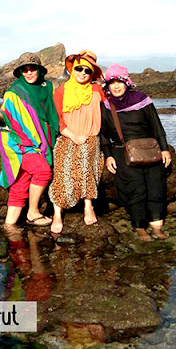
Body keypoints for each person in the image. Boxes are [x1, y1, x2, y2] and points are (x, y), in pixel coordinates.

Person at [0, 53, 58, 228]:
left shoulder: (47, 88)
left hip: (42, 142)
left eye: (32, 69)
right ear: (21, 72)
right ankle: (33, 212)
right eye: (25, 70)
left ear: (39, 70)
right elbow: (6, 117)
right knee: (43, 171)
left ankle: (9, 227)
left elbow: (56, 111)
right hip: (20, 144)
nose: (29, 73)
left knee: (20, 183)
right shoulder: (15, 92)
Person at [100, 63, 172, 241]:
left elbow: (157, 125)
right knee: (135, 188)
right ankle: (139, 226)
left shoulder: (142, 99)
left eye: (120, 81)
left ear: (127, 83)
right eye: (112, 82)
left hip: (149, 149)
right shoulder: (106, 106)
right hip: (122, 152)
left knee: (156, 186)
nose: (116, 86)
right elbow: (102, 133)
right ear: (107, 85)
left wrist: (165, 149)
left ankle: (157, 225)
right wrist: (108, 155)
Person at [48, 50, 105, 234]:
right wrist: (73, 136)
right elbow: (56, 119)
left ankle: (88, 206)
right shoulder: (62, 90)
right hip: (67, 135)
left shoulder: (97, 90)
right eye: (79, 68)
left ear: (92, 74)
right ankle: (57, 212)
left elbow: (111, 109)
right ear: (73, 70)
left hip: (91, 137)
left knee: (89, 167)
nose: (82, 73)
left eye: (87, 71)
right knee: (63, 169)